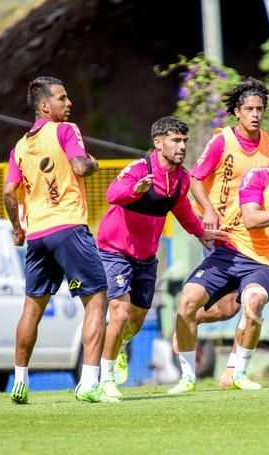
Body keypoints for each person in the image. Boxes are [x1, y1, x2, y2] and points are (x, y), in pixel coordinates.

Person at [170, 130, 269, 394]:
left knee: (253, 305)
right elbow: (250, 219)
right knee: (188, 300)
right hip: (232, 250)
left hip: (264, 263)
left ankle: (238, 372)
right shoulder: (259, 175)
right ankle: (187, 378)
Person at [2, 76, 116, 404]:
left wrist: (18, 228)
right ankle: (89, 383)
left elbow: (9, 192)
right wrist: (93, 161)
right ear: (44, 106)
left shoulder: (20, 147)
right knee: (96, 301)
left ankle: (20, 380)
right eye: (62, 98)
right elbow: (81, 166)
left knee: (31, 310)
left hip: (37, 235)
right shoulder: (65, 130)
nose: (69, 104)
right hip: (68, 228)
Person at [95, 116, 226, 398]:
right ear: (158, 142)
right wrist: (135, 190)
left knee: (137, 319)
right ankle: (105, 380)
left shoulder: (181, 179)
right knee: (119, 311)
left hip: (146, 256)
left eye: (184, 141)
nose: (181, 146)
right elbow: (112, 194)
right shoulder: (140, 169)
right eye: (175, 140)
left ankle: (119, 348)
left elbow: (182, 210)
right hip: (115, 250)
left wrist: (201, 233)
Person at [183, 77, 269, 386]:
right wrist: (210, 210)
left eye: (260, 109)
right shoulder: (221, 141)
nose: (255, 114)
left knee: (249, 303)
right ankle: (188, 320)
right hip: (222, 237)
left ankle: (233, 371)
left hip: (255, 238)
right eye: (249, 109)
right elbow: (195, 179)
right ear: (238, 112)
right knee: (229, 308)